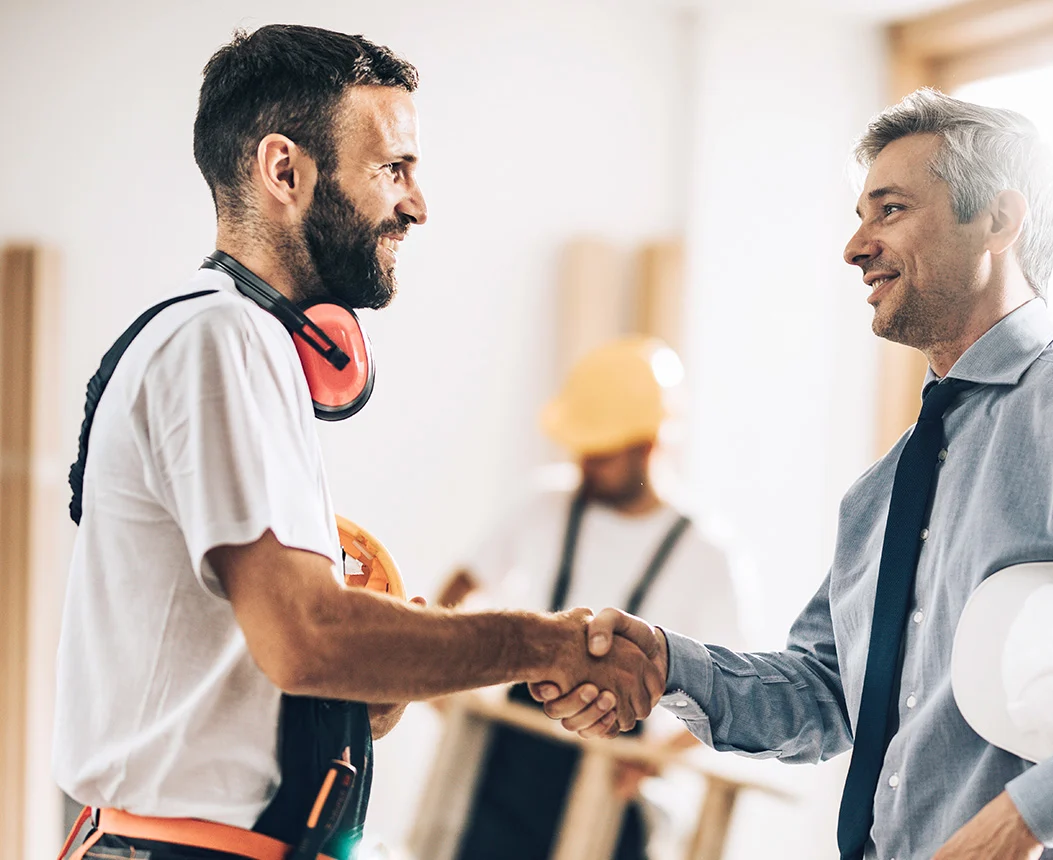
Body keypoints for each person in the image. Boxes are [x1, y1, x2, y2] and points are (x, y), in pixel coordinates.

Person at [534, 90, 1053, 860]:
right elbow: (829, 695)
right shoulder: (884, 489)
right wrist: (667, 662)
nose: (854, 247)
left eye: (888, 210)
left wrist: (1021, 820)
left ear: (998, 220)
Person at [52, 24, 661, 860]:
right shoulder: (220, 338)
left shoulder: (245, 343)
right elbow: (307, 638)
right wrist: (546, 643)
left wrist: (360, 686)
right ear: (285, 171)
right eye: (393, 169)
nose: (416, 203)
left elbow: (278, 658)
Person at [440, 336, 750, 860]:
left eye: (602, 454)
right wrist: (455, 686)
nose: (585, 465)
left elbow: (734, 692)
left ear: (649, 445)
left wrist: (655, 758)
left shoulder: (705, 553)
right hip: (507, 771)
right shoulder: (543, 504)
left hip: (609, 796)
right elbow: (455, 594)